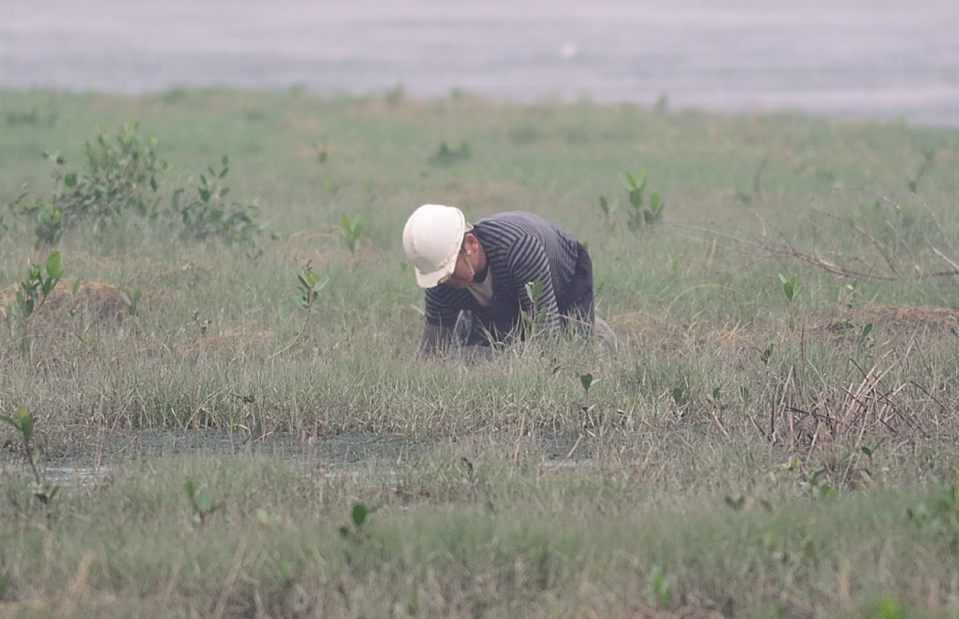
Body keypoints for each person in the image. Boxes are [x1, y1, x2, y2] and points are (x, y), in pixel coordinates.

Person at [402, 204, 600, 357]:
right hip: (502, 297)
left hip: (564, 280)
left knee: (575, 349)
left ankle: (600, 331)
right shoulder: (439, 282)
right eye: (440, 277)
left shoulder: (520, 249)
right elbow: (432, 353)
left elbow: (547, 333)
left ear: (471, 245)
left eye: (450, 271)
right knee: (479, 349)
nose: (446, 283)